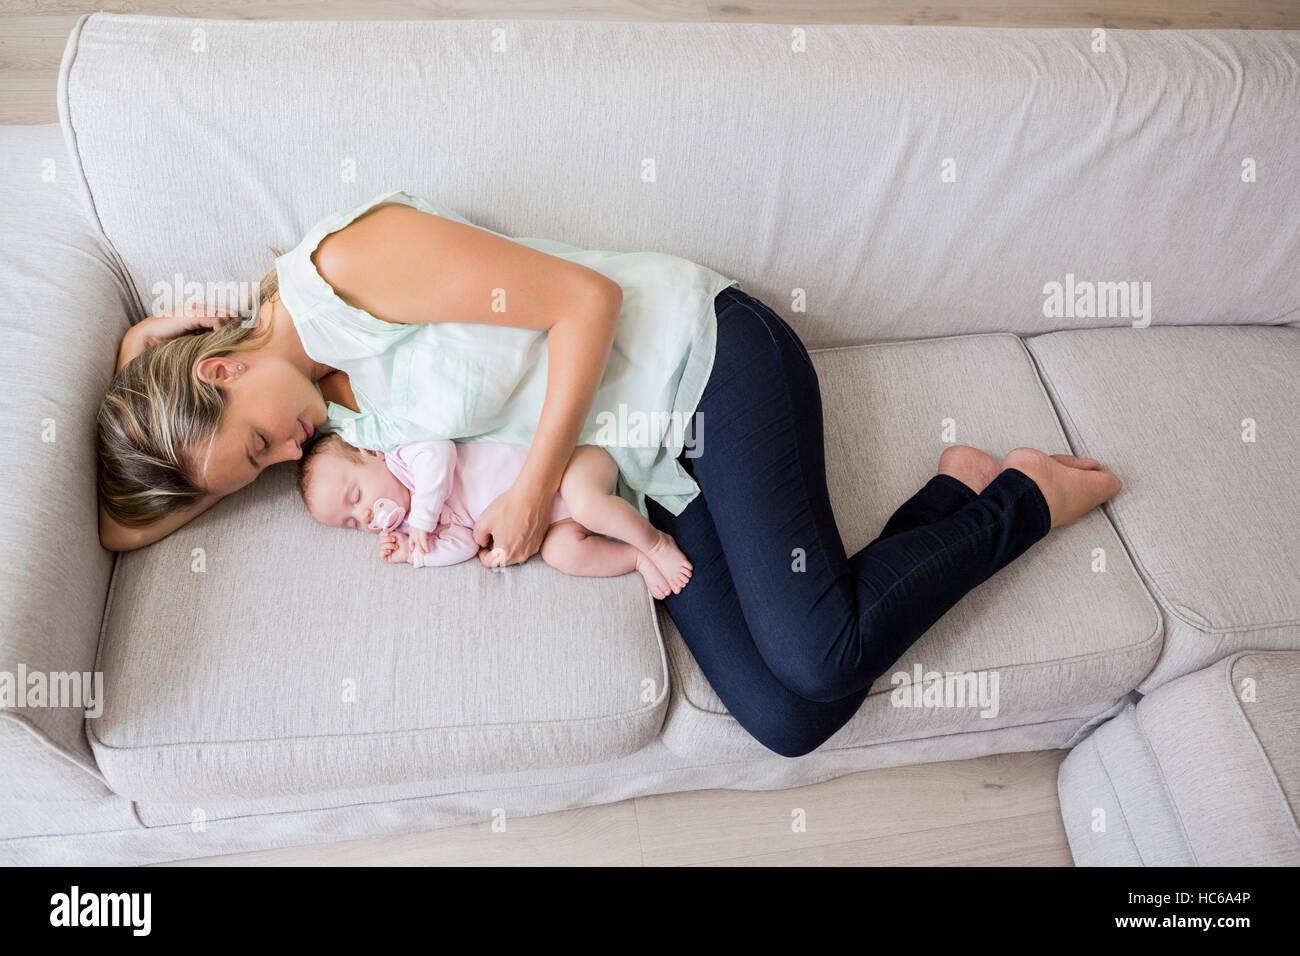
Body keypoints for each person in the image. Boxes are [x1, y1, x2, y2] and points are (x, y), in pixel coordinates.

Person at [96, 188, 1121, 756]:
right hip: (650, 457)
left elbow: (586, 300)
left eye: (258, 443)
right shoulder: (304, 406)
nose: (286, 457)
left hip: (706, 360)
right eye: (263, 469)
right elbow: (117, 527)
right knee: (790, 716)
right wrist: (136, 346)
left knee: (815, 658)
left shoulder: (354, 270)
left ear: (223, 367)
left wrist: (535, 489)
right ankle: (954, 491)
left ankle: (1024, 496)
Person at [296, 432, 692, 597]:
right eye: (351, 522)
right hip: (553, 522)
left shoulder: (407, 457)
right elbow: (465, 544)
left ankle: (655, 541)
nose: (365, 515)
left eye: (356, 495)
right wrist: (418, 552)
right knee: (562, 554)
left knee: (588, 503)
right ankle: (635, 558)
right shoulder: (419, 526)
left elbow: (441, 452)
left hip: (569, 462)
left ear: (370, 453)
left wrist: (421, 516)